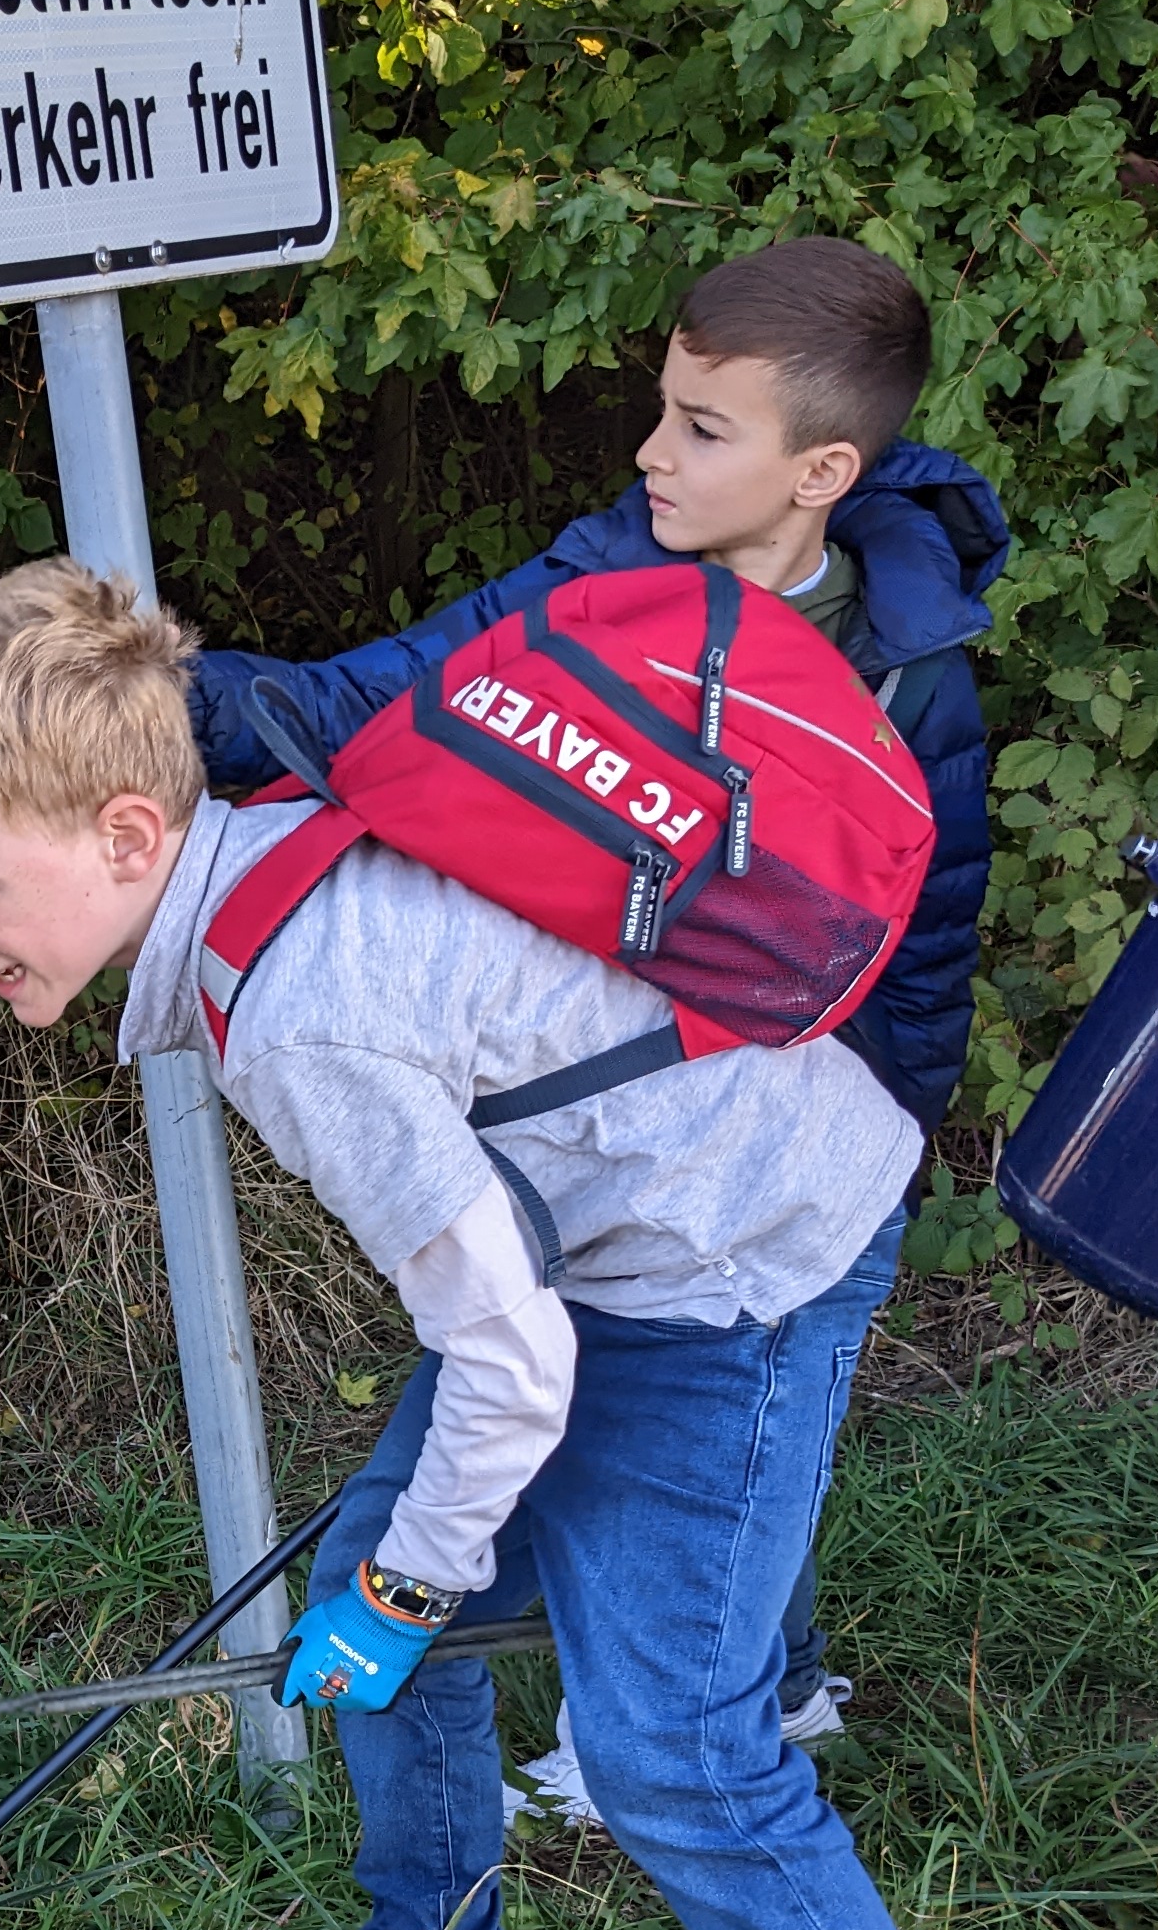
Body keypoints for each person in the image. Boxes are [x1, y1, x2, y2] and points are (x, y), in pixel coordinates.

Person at [0, 560, 1073, 1930]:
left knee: (672, 1743)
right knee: (379, 1587)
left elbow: (512, 1367)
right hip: (600, 1252)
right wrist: (398, 1580)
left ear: (121, 832)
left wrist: (417, 1593)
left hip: (737, 1260)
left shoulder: (305, 1015)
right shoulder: (262, 864)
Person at [193, 237, 1007, 1792]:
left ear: (822, 468)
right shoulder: (598, 579)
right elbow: (380, 701)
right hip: (573, 1103)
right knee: (621, 1406)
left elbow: (925, 948)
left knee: (734, 1397)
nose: (652, 450)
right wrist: (173, 710)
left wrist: (875, 1160)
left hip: (769, 1120)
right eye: (662, 408)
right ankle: (751, 1669)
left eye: (705, 428)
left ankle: (751, 1683)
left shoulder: (907, 683)